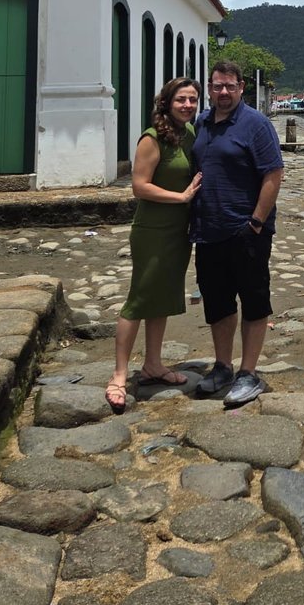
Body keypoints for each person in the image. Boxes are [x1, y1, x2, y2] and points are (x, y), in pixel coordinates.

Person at [106, 78, 202, 414]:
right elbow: (139, 186)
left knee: (163, 297)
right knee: (141, 298)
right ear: (166, 102)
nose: (188, 105)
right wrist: (181, 196)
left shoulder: (188, 134)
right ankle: (119, 375)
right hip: (153, 229)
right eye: (181, 99)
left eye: (193, 100)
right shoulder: (152, 138)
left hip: (179, 230)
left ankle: (153, 364)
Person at [191, 60, 285, 406]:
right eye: (217, 86)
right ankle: (222, 366)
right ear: (210, 87)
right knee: (217, 302)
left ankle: (248, 372)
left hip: (247, 231)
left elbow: (273, 174)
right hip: (209, 229)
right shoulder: (201, 122)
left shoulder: (256, 125)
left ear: (241, 87)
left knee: (254, 300)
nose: (224, 92)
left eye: (230, 86)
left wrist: (256, 223)